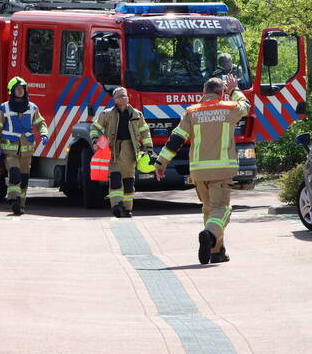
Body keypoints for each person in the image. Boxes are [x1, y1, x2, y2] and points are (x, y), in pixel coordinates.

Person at [154, 75, 250, 264]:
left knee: (208, 210)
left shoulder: (192, 112)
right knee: (221, 210)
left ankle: (216, 252)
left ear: (203, 93)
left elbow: (176, 139)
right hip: (222, 170)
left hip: (198, 171)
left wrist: (161, 163)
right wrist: (234, 90)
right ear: (221, 93)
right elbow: (245, 105)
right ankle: (210, 235)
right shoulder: (229, 108)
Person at [90, 87, 155, 218]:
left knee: (129, 181)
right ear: (114, 100)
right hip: (113, 151)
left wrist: (149, 149)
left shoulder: (136, 114)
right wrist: (95, 141)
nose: (124, 98)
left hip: (131, 151)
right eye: (120, 96)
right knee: (115, 180)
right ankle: (116, 205)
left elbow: (145, 131)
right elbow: (95, 128)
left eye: (125, 95)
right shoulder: (106, 114)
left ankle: (127, 209)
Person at [0, 76, 49, 216]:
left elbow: (41, 123)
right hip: (10, 150)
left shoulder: (32, 108)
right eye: (17, 88)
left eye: (22, 88)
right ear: (12, 91)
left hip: (27, 152)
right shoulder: (3, 108)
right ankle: (13, 199)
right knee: (14, 174)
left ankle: (20, 205)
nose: (20, 91)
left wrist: (44, 134)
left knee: (24, 180)